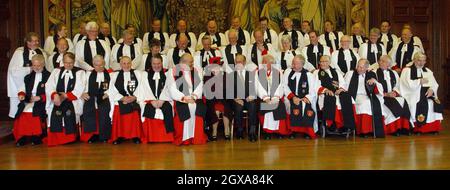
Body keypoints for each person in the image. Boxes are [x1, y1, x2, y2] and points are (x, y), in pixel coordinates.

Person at [45, 52, 85, 146]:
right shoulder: (56, 71)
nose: (68, 65)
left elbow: (80, 87)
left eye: (71, 62)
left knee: (70, 112)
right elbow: (49, 85)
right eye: (66, 62)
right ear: (63, 61)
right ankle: (55, 139)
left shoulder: (80, 72)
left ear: (74, 61)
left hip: (73, 99)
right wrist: (54, 95)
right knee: (52, 111)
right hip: (57, 99)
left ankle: (69, 138)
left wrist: (65, 96)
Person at [168, 53, 208, 145]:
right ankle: (184, 139)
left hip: (195, 98)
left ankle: (196, 138)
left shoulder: (197, 71)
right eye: (190, 62)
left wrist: (193, 97)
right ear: (182, 62)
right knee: (186, 108)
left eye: (192, 62)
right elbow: (172, 88)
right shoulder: (173, 71)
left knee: (198, 108)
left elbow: (199, 86)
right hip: (181, 99)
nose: (192, 64)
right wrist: (184, 98)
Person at [400, 53, 443, 135]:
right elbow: (406, 84)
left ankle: (433, 128)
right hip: (412, 93)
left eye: (424, 61)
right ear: (414, 60)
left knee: (435, 103)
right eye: (419, 60)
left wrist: (432, 89)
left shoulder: (428, 71)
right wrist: (419, 81)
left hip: (427, 93)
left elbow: (434, 84)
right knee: (419, 102)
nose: (421, 63)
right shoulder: (407, 70)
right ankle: (418, 128)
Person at [13, 54, 50, 146]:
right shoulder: (28, 77)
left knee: (34, 112)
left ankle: (36, 136)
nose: (36, 67)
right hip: (29, 100)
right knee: (22, 112)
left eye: (38, 65)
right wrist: (21, 95)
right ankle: (23, 136)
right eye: (34, 65)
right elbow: (22, 89)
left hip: (42, 101)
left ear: (43, 64)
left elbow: (52, 91)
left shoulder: (49, 76)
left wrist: (40, 97)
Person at [314, 55, 356, 134]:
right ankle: (332, 125)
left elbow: (343, 83)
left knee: (347, 98)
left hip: (337, 93)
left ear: (329, 62)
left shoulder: (336, 71)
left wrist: (340, 89)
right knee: (333, 100)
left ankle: (346, 125)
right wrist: (325, 90)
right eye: (321, 61)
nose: (322, 63)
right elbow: (315, 85)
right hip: (325, 94)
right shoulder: (317, 72)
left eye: (325, 61)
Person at [8, 32, 46, 119]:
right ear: (28, 42)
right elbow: (13, 71)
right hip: (21, 84)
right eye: (34, 41)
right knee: (19, 111)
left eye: (37, 41)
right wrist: (29, 69)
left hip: (38, 85)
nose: (37, 43)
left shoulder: (41, 51)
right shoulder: (19, 52)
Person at [138, 54, 175, 143]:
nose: (156, 66)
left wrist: (162, 100)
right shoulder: (144, 74)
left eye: (158, 63)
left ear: (162, 63)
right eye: (154, 64)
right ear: (151, 64)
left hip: (165, 100)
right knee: (148, 108)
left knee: (168, 108)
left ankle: (168, 137)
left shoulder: (167, 73)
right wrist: (152, 101)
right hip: (150, 100)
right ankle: (150, 137)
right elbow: (142, 90)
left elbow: (171, 88)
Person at [344, 59, 385, 138]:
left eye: (362, 67)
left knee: (376, 103)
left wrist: (374, 81)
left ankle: (373, 130)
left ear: (367, 68)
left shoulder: (371, 74)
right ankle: (363, 131)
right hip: (355, 96)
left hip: (368, 95)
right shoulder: (350, 74)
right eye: (358, 66)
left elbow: (379, 87)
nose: (359, 69)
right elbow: (345, 86)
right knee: (366, 103)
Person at [109, 56, 144, 144]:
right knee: (117, 109)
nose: (126, 65)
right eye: (124, 63)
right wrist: (121, 98)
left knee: (135, 111)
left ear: (131, 64)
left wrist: (134, 97)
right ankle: (119, 136)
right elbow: (111, 88)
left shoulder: (138, 74)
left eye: (128, 63)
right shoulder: (114, 75)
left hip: (134, 98)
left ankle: (135, 136)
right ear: (120, 64)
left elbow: (142, 86)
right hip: (120, 99)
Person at [283, 55, 319, 139]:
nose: (293, 65)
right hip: (291, 96)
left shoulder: (309, 75)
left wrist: (306, 98)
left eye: (296, 63)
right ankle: (293, 131)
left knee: (306, 106)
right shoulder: (288, 72)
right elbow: (284, 86)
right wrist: (292, 97)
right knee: (290, 105)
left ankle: (306, 131)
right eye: (293, 63)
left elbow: (313, 89)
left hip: (304, 97)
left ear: (302, 64)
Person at [374, 55, 411, 136]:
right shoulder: (374, 72)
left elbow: (398, 85)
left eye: (384, 61)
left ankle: (404, 127)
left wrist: (394, 92)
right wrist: (386, 94)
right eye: (380, 61)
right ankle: (393, 129)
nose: (381, 62)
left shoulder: (394, 73)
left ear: (389, 65)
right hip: (382, 96)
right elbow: (375, 87)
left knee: (402, 101)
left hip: (393, 95)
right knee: (392, 105)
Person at [80, 55, 112, 143]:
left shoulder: (110, 73)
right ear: (93, 65)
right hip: (91, 97)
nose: (100, 67)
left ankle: (104, 135)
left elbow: (113, 87)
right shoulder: (88, 74)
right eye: (97, 65)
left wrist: (107, 94)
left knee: (104, 110)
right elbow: (82, 85)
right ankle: (92, 135)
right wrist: (83, 93)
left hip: (105, 96)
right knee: (89, 110)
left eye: (102, 65)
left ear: (104, 63)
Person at [227, 54, 259, 142]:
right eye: (236, 62)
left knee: (253, 105)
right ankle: (239, 130)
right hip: (235, 99)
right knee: (238, 106)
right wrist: (235, 98)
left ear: (244, 62)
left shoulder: (251, 74)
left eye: (240, 62)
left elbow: (256, 87)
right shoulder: (230, 75)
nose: (238, 63)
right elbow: (227, 90)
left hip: (249, 99)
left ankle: (252, 132)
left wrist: (252, 96)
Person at [256, 54, 288, 139]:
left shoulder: (278, 72)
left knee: (279, 106)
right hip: (263, 98)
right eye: (263, 62)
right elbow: (258, 86)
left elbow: (280, 86)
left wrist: (275, 98)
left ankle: (278, 131)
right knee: (265, 106)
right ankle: (267, 132)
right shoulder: (258, 72)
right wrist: (266, 98)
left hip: (275, 97)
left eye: (266, 62)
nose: (264, 64)